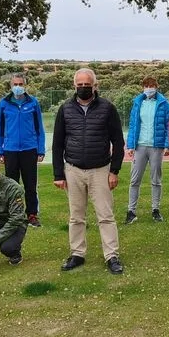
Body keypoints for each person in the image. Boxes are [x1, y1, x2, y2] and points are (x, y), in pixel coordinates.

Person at [53, 68, 126, 275]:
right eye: (80, 85)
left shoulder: (108, 108)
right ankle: (77, 253)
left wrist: (114, 171)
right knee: (76, 216)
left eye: (87, 85)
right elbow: (58, 144)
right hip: (73, 170)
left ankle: (112, 255)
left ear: (95, 85)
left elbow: (118, 142)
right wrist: (59, 174)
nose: (83, 88)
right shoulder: (65, 109)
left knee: (105, 216)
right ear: (74, 85)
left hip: (100, 170)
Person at [0, 73, 45, 228]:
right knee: (12, 184)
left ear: (25, 85)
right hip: (10, 150)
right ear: (11, 86)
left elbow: (39, 128)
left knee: (30, 184)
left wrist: (40, 149)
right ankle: (14, 214)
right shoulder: (4, 104)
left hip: (30, 149)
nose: (18, 87)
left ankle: (32, 215)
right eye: (15, 84)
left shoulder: (33, 103)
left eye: (20, 84)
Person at [125, 76, 169, 224]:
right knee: (134, 180)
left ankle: (155, 210)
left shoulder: (164, 104)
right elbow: (133, 125)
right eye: (146, 85)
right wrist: (131, 145)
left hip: (156, 147)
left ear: (156, 87)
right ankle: (131, 211)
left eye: (151, 85)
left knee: (156, 180)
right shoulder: (137, 103)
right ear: (143, 87)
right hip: (139, 146)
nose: (149, 88)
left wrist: (167, 145)